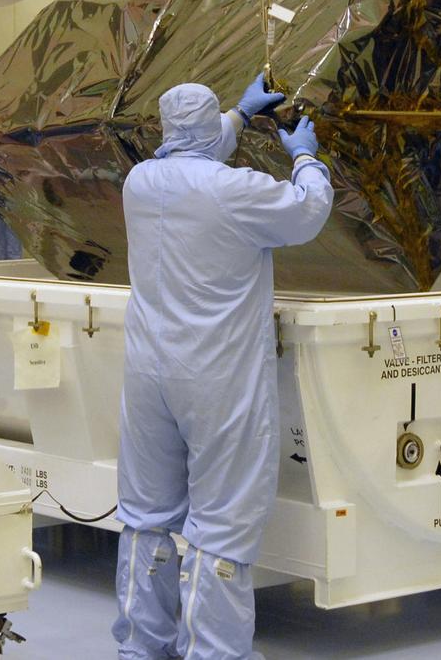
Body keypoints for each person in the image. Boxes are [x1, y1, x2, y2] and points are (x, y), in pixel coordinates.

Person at [114, 74, 334, 660]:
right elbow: (309, 211)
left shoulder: (139, 182)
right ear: (209, 129)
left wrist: (238, 113)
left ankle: (141, 647)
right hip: (217, 378)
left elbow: (193, 159)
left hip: (148, 374)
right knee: (222, 523)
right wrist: (307, 155)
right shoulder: (237, 190)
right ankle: (214, 653)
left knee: (145, 516)